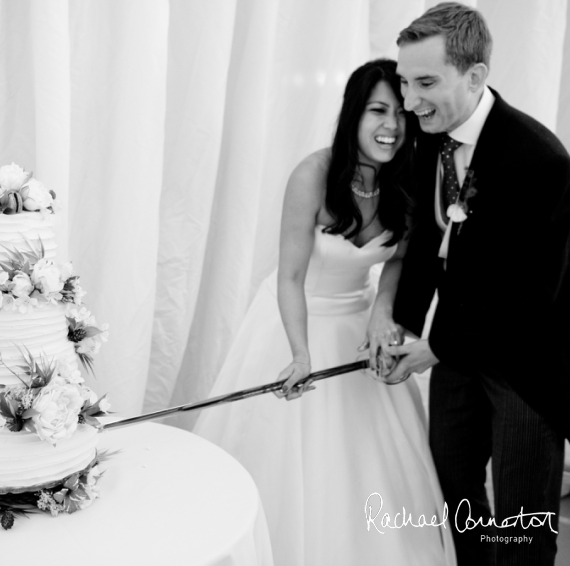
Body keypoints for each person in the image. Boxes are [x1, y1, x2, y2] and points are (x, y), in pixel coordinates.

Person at [194, 59, 456, 565]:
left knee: (371, 469)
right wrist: (299, 353)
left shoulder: (408, 181)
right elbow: (289, 277)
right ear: (353, 113)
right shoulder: (311, 175)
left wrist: (384, 309)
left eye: (400, 113)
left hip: (358, 325)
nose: (392, 125)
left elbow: (401, 257)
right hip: (296, 321)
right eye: (378, 110)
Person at [382, 4, 570, 565]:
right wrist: (401, 320)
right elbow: (428, 237)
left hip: (530, 359)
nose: (408, 102)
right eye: (404, 82)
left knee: (521, 520)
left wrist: (435, 348)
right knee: (454, 493)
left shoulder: (542, 161)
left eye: (425, 82)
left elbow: (529, 299)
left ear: (474, 76)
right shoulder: (432, 134)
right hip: (457, 344)